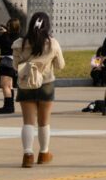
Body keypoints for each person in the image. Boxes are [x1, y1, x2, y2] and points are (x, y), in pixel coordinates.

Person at [13, 12, 66, 168]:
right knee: (44, 122)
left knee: (28, 122)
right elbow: (60, 65)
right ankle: (44, 153)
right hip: (46, 83)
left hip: (25, 84)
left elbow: (15, 65)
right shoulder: (52, 43)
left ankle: (27, 155)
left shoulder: (19, 43)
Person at [0, 17, 21, 114]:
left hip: (7, 61)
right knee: (9, 85)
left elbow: (9, 45)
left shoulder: (13, 37)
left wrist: (4, 34)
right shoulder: (16, 36)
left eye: (9, 25)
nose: (7, 27)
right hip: (11, 61)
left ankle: (8, 107)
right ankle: (10, 106)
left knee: (4, 85)